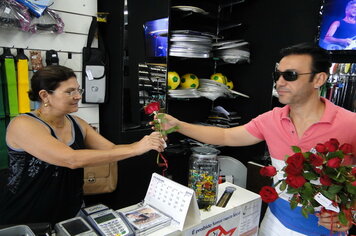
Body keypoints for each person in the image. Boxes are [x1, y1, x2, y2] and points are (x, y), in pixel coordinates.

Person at [158, 43, 356, 235]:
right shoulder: (271, 119)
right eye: (277, 75)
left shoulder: (350, 124)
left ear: (319, 79)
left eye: (290, 76)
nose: (279, 82)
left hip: (324, 230)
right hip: (274, 223)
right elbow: (226, 135)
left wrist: (350, 213)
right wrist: (178, 125)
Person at [0, 65, 165, 226]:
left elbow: (112, 150)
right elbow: (71, 159)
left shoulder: (77, 123)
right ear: (44, 96)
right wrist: (135, 149)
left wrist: (147, 142)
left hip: (70, 214)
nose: (78, 96)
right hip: (26, 217)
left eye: (78, 90)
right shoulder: (23, 124)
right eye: (69, 91)